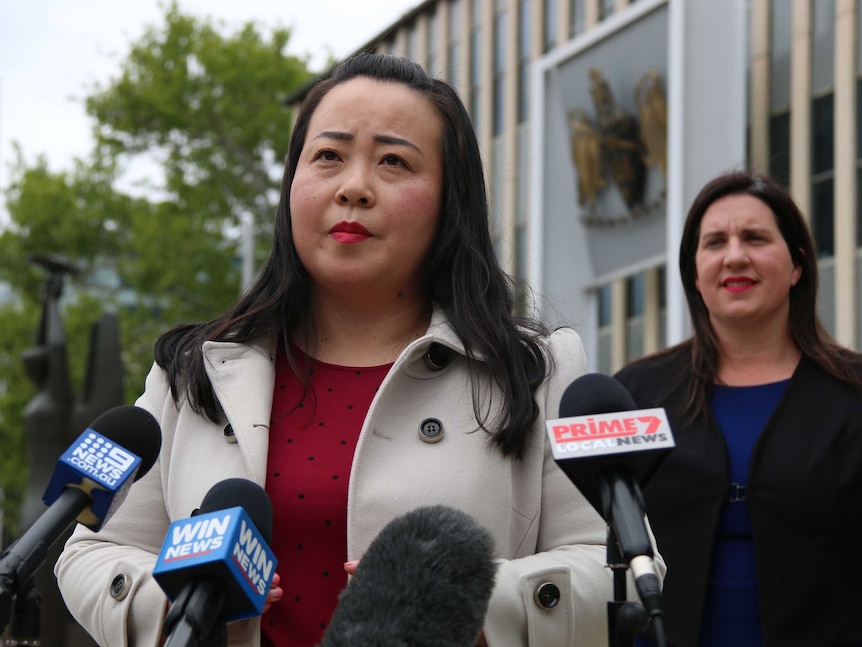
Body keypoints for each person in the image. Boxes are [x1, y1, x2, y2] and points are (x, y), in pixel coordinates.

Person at [55, 53, 657, 647]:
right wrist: (182, 608)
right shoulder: (195, 371)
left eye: (394, 161)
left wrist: (472, 605)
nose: (354, 188)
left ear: (451, 200)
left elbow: (624, 572)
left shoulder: (537, 371)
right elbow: (92, 550)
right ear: (293, 184)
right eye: (328, 157)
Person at [615, 171, 862, 647]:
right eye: (714, 243)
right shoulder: (638, 393)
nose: (734, 256)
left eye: (754, 238)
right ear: (694, 273)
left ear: (796, 265)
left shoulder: (853, 395)